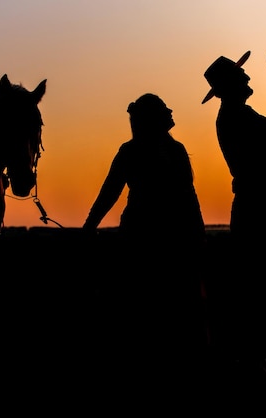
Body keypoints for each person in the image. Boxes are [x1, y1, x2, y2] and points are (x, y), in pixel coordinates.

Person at [82, 93, 208, 372]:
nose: (170, 114)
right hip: (158, 237)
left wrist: (90, 226)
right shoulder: (167, 151)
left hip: (147, 235)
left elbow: (109, 193)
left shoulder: (138, 150)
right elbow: (111, 192)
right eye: (164, 111)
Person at [202, 52, 266, 385]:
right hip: (258, 210)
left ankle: (257, 361)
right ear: (230, 85)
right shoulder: (236, 116)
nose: (247, 80)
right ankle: (253, 365)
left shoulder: (238, 114)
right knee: (261, 289)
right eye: (241, 77)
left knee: (260, 288)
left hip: (259, 207)